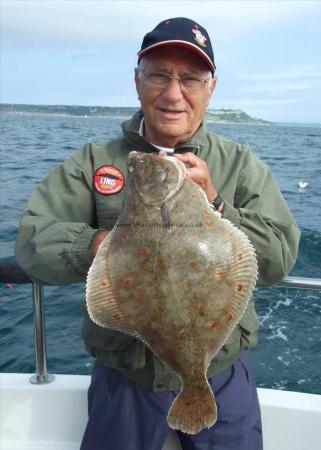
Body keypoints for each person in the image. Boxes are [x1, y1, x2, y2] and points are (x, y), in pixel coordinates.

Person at [15, 17, 300, 450]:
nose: (173, 93)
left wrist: (219, 204)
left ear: (211, 88)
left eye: (190, 78)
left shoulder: (241, 164)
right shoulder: (93, 162)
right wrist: (105, 248)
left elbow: (279, 258)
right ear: (137, 80)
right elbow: (33, 242)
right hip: (124, 376)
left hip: (219, 372)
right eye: (159, 75)